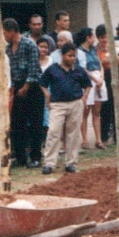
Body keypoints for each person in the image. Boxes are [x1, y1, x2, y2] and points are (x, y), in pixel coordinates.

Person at [40, 42, 91, 174]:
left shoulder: (79, 69)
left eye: (74, 56)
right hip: (57, 104)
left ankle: (71, 163)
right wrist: (47, 95)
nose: (72, 58)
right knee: (53, 132)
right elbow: (43, 83)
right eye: (70, 55)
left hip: (75, 103)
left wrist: (84, 98)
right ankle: (49, 163)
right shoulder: (52, 69)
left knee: (73, 134)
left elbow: (88, 84)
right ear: (62, 55)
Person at [4, 18, 45, 168]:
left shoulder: (29, 44)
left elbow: (34, 68)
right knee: (17, 123)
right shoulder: (7, 48)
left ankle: (35, 157)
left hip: (33, 87)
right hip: (16, 86)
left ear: (11, 31)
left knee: (35, 123)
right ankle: (20, 157)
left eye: (4, 32)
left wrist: (26, 86)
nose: (3, 36)